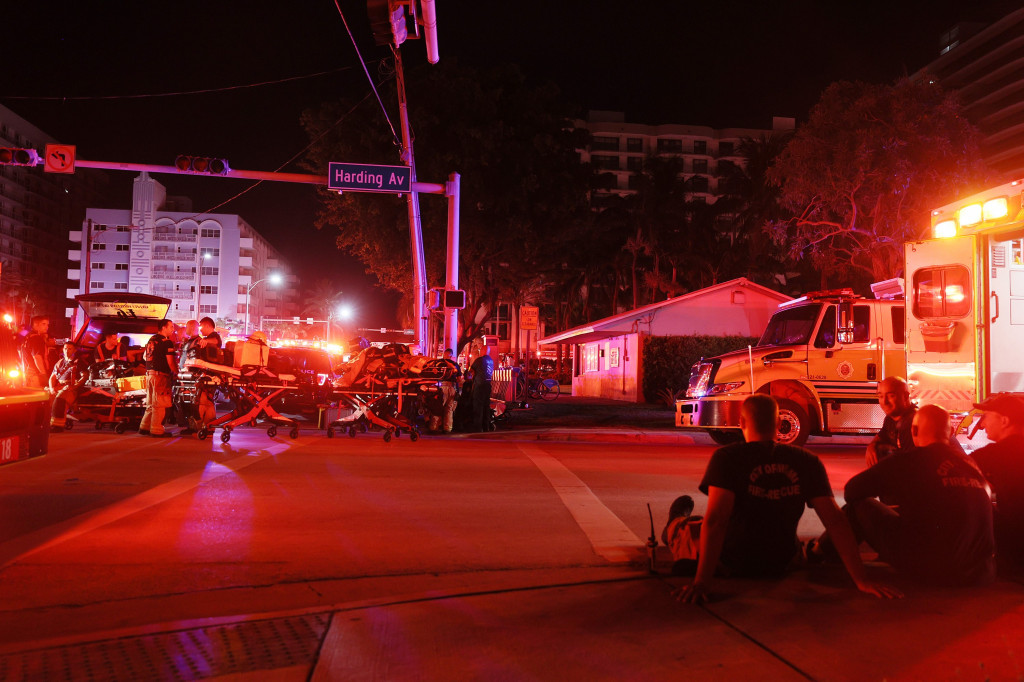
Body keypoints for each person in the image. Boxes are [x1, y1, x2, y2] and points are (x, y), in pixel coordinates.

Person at [674, 394, 901, 604]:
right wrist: (861, 580)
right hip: (783, 563)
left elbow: (716, 522)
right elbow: (835, 521)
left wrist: (701, 582)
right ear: (777, 424)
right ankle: (683, 519)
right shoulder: (806, 461)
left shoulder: (727, 458)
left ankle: (676, 521)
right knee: (702, 524)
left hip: (732, 564)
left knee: (687, 531)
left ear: (742, 423)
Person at [843, 404, 995, 587]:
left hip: (930, 570)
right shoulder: (970, 464)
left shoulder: (909, 461)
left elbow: (852, 490)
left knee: (859, 507)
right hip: (978, 574)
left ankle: (821, 553)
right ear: (951, 431)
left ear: (913, 430)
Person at [970, 394, 1024, 575]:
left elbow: (955, 472)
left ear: (1004, 420)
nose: (982, 424)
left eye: (985, 416)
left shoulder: (994, 455)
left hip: (1016, 549)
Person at [139, 319, 178, 438]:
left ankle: (144, 427)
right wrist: (177, 373)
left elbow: (145, 357)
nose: (173, 329)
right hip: (160, 376)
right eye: (171, 326)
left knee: (151, 403)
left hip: (150, 375)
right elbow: (170, 363)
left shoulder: (152, 340)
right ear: (163, 328)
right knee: (159, 404)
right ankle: (156, 430)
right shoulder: (167, 342)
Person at [48, 342, 86, 432]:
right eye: (65, 348)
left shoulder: (79, 362)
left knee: (60, 398)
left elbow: (84, 376)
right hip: (58, 387)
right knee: (44, 398)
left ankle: (57, 426)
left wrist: (74, 387)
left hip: (70, 389)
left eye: (69, 349)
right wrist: (51, 388)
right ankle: (45, 424)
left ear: (74, 350)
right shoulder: (60, 362)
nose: (66, 351)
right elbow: (52, 377)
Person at [468, 343, 494, 433]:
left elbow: (471, 370)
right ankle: (486, 426)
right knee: (486, 406)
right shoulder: (491, 361)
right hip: (488, 385)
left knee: (478, 406)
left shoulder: (479, 360)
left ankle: (477, 427)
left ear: (482, 351)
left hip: (479, 385)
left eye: (480, 350)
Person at [21, 316, 50, 389]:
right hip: (36, 374)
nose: (47, 327)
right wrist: (43, 375)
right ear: (36, 324)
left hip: (28, 372)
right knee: (40, 396)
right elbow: (37, 358)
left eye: (47, 324)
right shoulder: (36, 338)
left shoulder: (27, 337)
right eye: (43, 324)